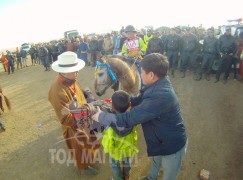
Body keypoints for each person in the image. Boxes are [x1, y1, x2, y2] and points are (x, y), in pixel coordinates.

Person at [92, 53, 187, 180]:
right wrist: (127, 101)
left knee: (168, 176)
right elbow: (140, 97)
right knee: (156, 162)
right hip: (161, 140)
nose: (140, 74)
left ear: (151, 75)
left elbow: (129, 118)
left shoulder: (160, 97)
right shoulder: (159, 83)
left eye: (142, 72)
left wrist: (101, 117)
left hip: (172, 146)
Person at [48, 51, 100, 175]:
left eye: (77, 70)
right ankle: (84, 167)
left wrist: (87, 97)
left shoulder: (70, 79)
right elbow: (66, 119)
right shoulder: (57, 92)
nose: (77, 73)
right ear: (63, 72)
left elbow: (78, 93)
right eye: (74, 71)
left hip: (84, 120)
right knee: (79, 148)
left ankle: (89, 159)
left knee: (90, 142)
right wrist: (88, 112)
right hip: (74, 127)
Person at [102, 90, 138, 180]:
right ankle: (127, 176)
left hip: (115, 150)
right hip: (128, 147)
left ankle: (119, 178)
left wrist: (107, 149)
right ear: (129, 105)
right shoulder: (133, 117)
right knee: (127, 162)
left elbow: (108, 141)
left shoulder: (109, 124)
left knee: (114, 164)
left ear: (113, 107)